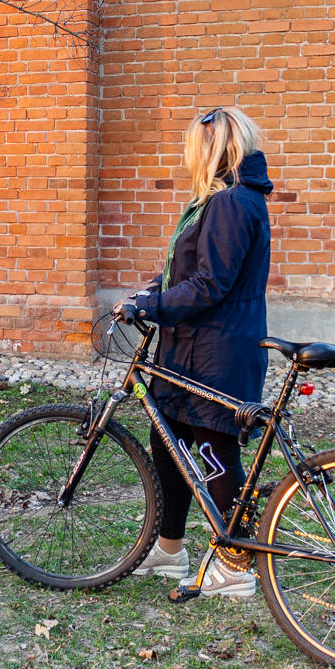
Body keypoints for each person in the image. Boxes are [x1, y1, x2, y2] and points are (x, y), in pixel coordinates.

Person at [113, 106, 273, 597]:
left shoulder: (229, 204)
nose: (187, 155)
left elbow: (208, 286)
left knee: (212, 448)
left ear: (211, 150)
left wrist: (155, 305)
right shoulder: (221, 202)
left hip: (214, 350)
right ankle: (169, 549)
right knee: (171, 444)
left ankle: (236, 564)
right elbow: (188, 270)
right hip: (191, 346)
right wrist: (150, 293)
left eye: (192, 146)